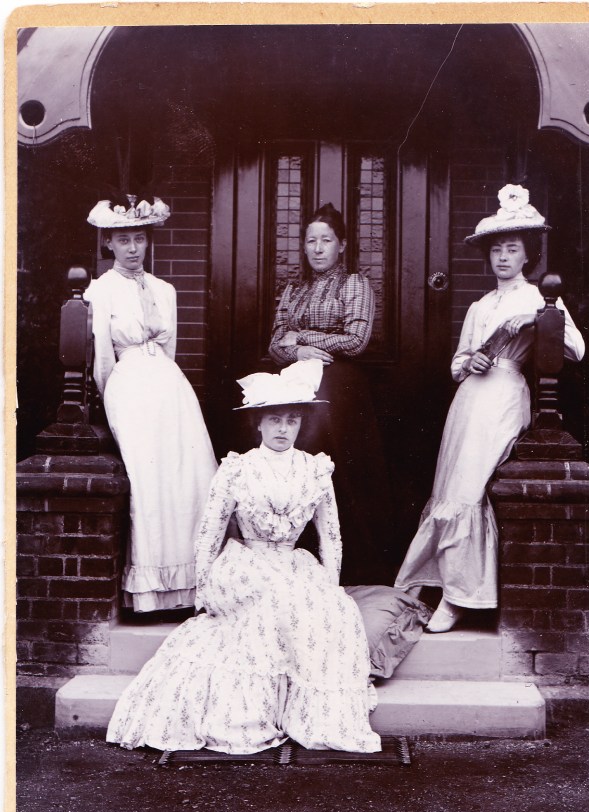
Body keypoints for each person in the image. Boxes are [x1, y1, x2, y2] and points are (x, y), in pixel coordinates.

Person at [106, 359, 381, 754]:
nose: (284, 429)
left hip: (292, 562)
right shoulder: (238, 469)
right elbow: (209, 533)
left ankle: (299, 711)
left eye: (292, 420)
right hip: (246, 565)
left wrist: (329, 585)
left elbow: (331, 536)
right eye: (275, 420)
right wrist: (203, 589)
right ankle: (249, 712)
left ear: (302, 424)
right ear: (258, 424)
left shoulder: (316, 470)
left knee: (328, 612)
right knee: (267, 609)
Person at [395, 184, 586, 633]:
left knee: (468, 489)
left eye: (512, 249)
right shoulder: (480, 305)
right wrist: (470, 361)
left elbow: (576, 348)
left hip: (503, 395)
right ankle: (437, 583)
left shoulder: (538, 297)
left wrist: (541, 320)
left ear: (527, 256)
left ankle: (462, 598)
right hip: (469, 400)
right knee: (448, 488)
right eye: (496, 250)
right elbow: (457, 365)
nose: (502, 257)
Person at [85, 192, 218, 612]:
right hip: (128, 384)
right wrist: (113, 401)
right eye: (123, 240)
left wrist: (163, 380)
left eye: (139, 239)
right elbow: (103, 360)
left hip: (168, 384)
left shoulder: (165, 290)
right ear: (109, 243)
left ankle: (191, 587)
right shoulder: (100, 290)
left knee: (191, 472)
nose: (132, 249)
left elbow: (170, 348)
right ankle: (149, 592)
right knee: (149, 480)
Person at [268, 202, 393, 585]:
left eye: (326, 240)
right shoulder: (294, 288)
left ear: (341, 245)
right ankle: (291, 557)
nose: (318, 248)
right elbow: (275, 343)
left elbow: (355, 341)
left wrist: (302, 337)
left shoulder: (354, 284)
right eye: (311, 241)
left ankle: (347, 565)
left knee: (329, 454)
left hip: (341, 385)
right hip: (297, 379)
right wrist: (298, 351)